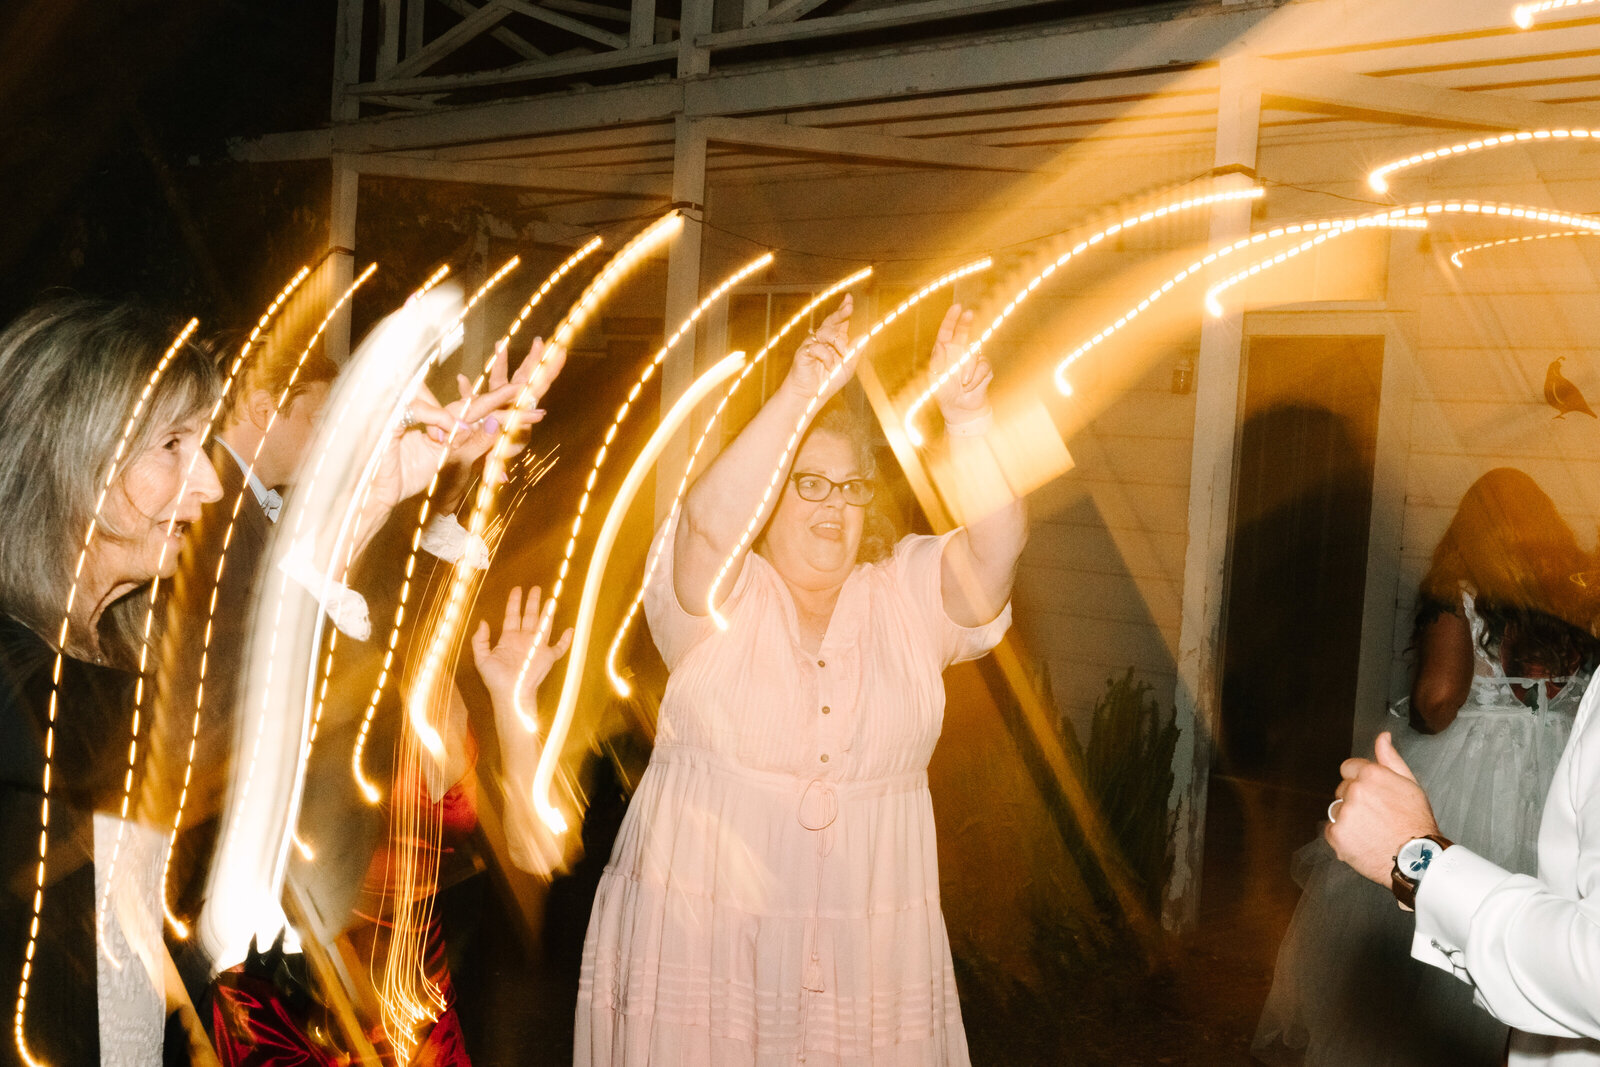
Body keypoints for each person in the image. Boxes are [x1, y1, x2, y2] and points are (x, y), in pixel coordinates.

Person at [573, 297, 1027, 1065]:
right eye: (808, 484)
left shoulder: (905, 596)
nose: (834, 507)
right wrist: (796, 395)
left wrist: (970, 415)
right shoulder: (714, 599)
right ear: (767, 494)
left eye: (850, 488)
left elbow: (998, 548)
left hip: (870, 963)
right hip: (707, 947)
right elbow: (707, 523)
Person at [1256, 468, 1600, 1065]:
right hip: (1561, 777)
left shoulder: (1458, 590)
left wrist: (1415, 708)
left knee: (1431, 935)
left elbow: (1439, 702)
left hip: (1477, 775)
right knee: (1549, 914)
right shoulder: (1566, 598)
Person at [0, 298, 225, 1064]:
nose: (211, 485)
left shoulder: (105, 657)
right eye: (173, 443)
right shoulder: (26, 682)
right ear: (74, 450)